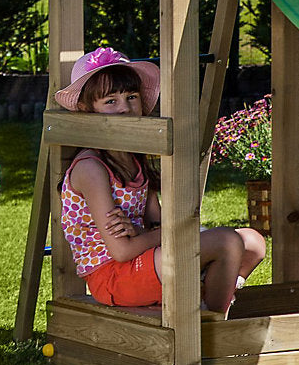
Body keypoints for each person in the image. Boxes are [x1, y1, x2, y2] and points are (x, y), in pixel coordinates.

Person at [56, 46, 266, 318]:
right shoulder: (91, 169)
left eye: (131, 97)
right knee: (226, 241)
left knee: (253, 241)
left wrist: (148, 232)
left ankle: (208, 292)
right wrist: (154, 234)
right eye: (110, 101)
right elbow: (121, 250)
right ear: (87, 110)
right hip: (114, 278)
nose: (125, 108)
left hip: (146, 261)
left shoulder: (134, 160)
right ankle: (213, 321)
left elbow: (161, 221)